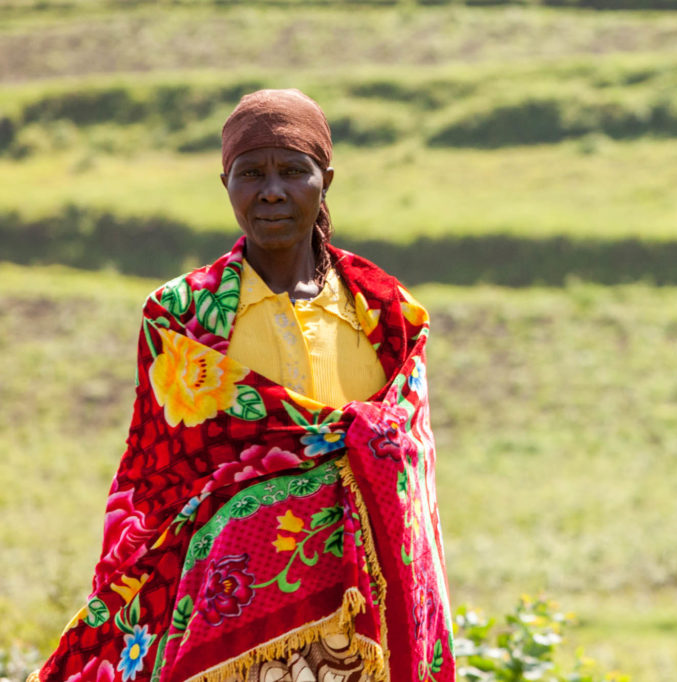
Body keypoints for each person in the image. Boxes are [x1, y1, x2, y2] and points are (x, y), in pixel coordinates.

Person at [31, 89, 454, 682]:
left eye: (293, 171)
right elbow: (157, 480)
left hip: (366, 612)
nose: (272, 191)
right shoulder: (182, 317)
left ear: (325, 179)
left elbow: (411, 481)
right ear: (225, 183)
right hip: (228, 622)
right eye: (251, 173)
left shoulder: (389, 316)